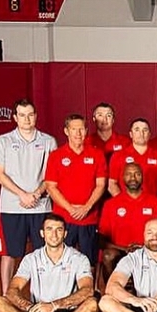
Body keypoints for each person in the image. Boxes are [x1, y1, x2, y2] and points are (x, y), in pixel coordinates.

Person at [0, 213, 97, 312]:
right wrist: (29, 307)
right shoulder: (31, 258)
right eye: (49, 229)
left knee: (92, 304)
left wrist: (54, 305)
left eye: (59, 230)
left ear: (65, 234)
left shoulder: (79, 258)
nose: (54, 235)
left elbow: (87, 290)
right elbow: (13, 290)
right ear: (42, 233)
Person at [0, 99, 56, 294]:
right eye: (22, 115)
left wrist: (36, 194)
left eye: (30, 114)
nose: (26, 119)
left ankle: (42, 295)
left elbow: (52, 175)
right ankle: (6, 297)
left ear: (36, 116)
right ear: (15, 117)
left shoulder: (48, 141)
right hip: (12, 207)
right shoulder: (3, 141)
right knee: (9, 253)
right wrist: (22, 194)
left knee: (43, 253)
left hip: (41, 206)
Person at [43, 113, 107, 267]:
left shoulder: (97, 154)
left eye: (82, 129)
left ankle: (89, 284)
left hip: (89, 218)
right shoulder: (56, 156)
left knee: (89, 263)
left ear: (86, 130)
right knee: (61, 261)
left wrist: (86, 207)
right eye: (74, 129)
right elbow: (51, 186)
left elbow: (101, 185)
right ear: (66, 131)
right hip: (64, 219)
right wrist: (70, 209)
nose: (78, 133)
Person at [98, 162, 157, 277]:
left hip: (149, 251)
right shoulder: (111, 204)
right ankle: (112, 288)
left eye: (137, 174)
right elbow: (102, 239)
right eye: (129, 174)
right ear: (122, 177)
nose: (133, 178)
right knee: (108, 255)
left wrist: (145, 248)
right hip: (121, 251)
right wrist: (125, 249)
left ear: (142, 177)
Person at [107, 118, 157, 198]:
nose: (141, 133)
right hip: (125, 204)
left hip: (151, 204)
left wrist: (155, 202)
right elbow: (112, 185)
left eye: (145, 130)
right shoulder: (118, 156)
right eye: (137, 130)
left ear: (149, 134)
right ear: (131, 134)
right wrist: (124, 202)